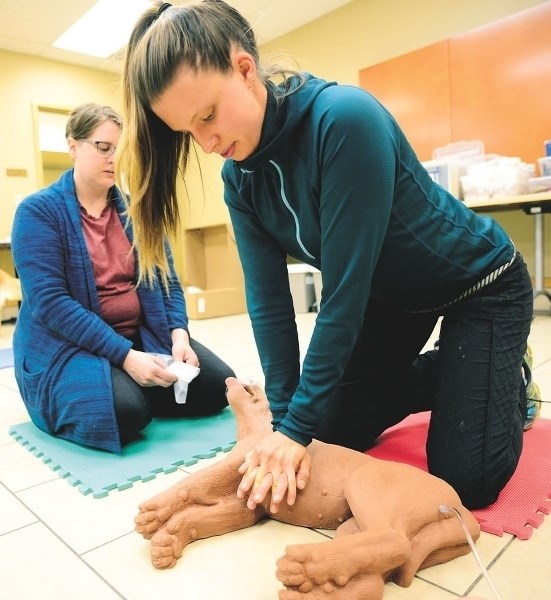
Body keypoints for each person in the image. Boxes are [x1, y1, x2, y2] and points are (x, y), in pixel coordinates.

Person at [117, 0, 537, 509]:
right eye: (189, 130)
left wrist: (294, 430)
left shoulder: (343, 119)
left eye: (207, 115)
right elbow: (269, 302)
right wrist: (287, 419)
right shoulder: (240, 180)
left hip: (478, 285)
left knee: (467, 480)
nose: (205, 142)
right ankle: (450, 374)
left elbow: (343, 291)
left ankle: (504, 374)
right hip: (392, 297)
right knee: (329, 432)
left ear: (245, 68)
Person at [11, 102, 234, 453]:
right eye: (103, 148)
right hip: (69, 347)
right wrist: (126, 357)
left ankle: (135, 383)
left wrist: (179, 335)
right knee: (125, 414)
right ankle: (128, 387)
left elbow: (167, 281)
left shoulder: (137, 210)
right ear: (73, 145)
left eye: (122, 149)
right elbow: (50, 304)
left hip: (142, 336)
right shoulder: (37, 212)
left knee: (220, 386)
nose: (115, 158)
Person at [134, 376, 481, 600]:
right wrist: (186, 526)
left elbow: (221, 473)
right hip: (354, 517)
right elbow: (245, 507)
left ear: (263, 406)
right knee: (349, 532)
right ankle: (356, 585)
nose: (233, 382)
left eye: (248, 387)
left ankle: (389, 544)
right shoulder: (258, 454)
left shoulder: (266, 438)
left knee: (367, 489)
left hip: (398, 493)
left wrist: (171, 501)